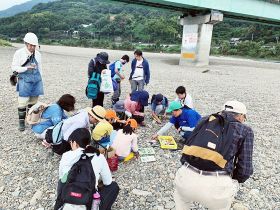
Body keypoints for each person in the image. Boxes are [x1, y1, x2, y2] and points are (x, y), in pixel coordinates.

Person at [174, 100, 254, 210]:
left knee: (182, 202)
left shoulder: (205, 120)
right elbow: (245, 169)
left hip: (185, 178)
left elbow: (188, 147)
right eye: (244, 117)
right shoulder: (245, 130)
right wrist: (233, 180)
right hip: (216, 187)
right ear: (240, 116)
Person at [55, 128, 119, 210]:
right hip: (88, 203)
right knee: (113, 186)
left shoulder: (66, 156)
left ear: (74, 143)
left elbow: (62, 179)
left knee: (61, 181)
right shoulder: (99, 156)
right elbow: (108, 182)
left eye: (70, 143)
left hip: (66, 200)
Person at [11, 32, 43, 131]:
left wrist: (41, 80)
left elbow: (40, 68)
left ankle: (30, 119)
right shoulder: (19, 53)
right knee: (22, 102)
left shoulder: (38, 54)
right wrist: (26, 68)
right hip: (24, 79)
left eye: (34, 45)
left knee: (33, 102)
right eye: (31, 45)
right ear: (26, 43)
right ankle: (21, 123)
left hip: (36, 80)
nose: (33, 47)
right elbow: (14, 68)